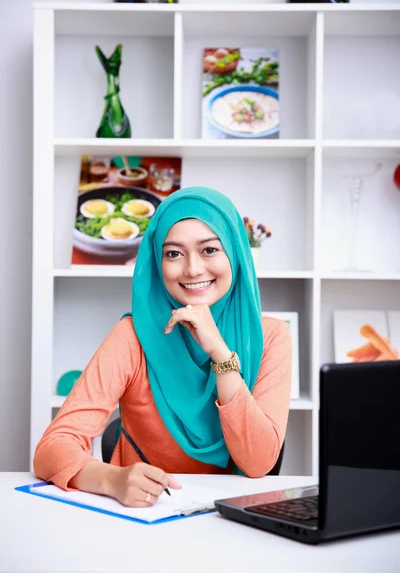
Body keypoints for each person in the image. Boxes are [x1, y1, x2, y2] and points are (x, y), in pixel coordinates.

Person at [34, 187, 292, 508]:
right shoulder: (134, 335)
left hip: (230, 523)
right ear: (157, 262)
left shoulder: (271, 337)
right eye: (173, 253)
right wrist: (112, 479)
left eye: (210, 250)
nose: (193, 269)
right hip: (143, 520)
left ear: (236, 254)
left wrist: (220, 354)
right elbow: (51, 449)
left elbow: (259, 462)